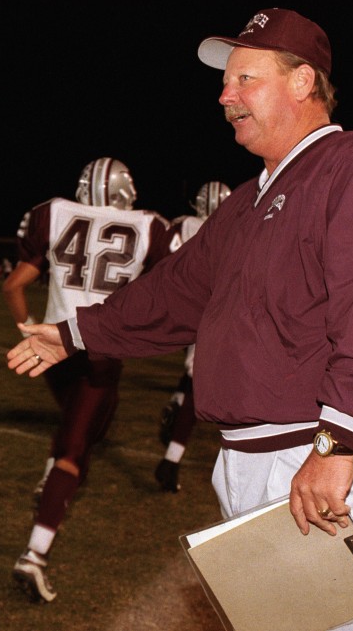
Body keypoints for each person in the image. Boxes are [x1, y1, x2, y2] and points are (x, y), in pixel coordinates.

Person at [7, 8, 353, 631]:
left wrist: (338, 441)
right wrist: (71, 333)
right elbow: (175, 293)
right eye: (225, 82)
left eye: (245, 78)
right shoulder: (251, 199)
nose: (224, 95)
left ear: (303, 82)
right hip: (253, 462)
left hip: (339, 464)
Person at [1, 157, 169, 602]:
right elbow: (168, 290)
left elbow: (12, 286)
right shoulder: (149, 225)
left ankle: (51, 476)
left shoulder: (53, 213)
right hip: (98, 350)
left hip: (52, 347)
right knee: (77, 451)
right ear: (121, 190)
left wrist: (28, 331)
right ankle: (34, 555)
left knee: (81, 430)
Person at [155, 180, 231, 493]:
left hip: (186, 307)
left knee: (194, 377)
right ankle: (170, 462)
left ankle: (175, 403)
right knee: (203, 383)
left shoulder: (182, 225)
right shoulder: (236, 223)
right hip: (216, 311)